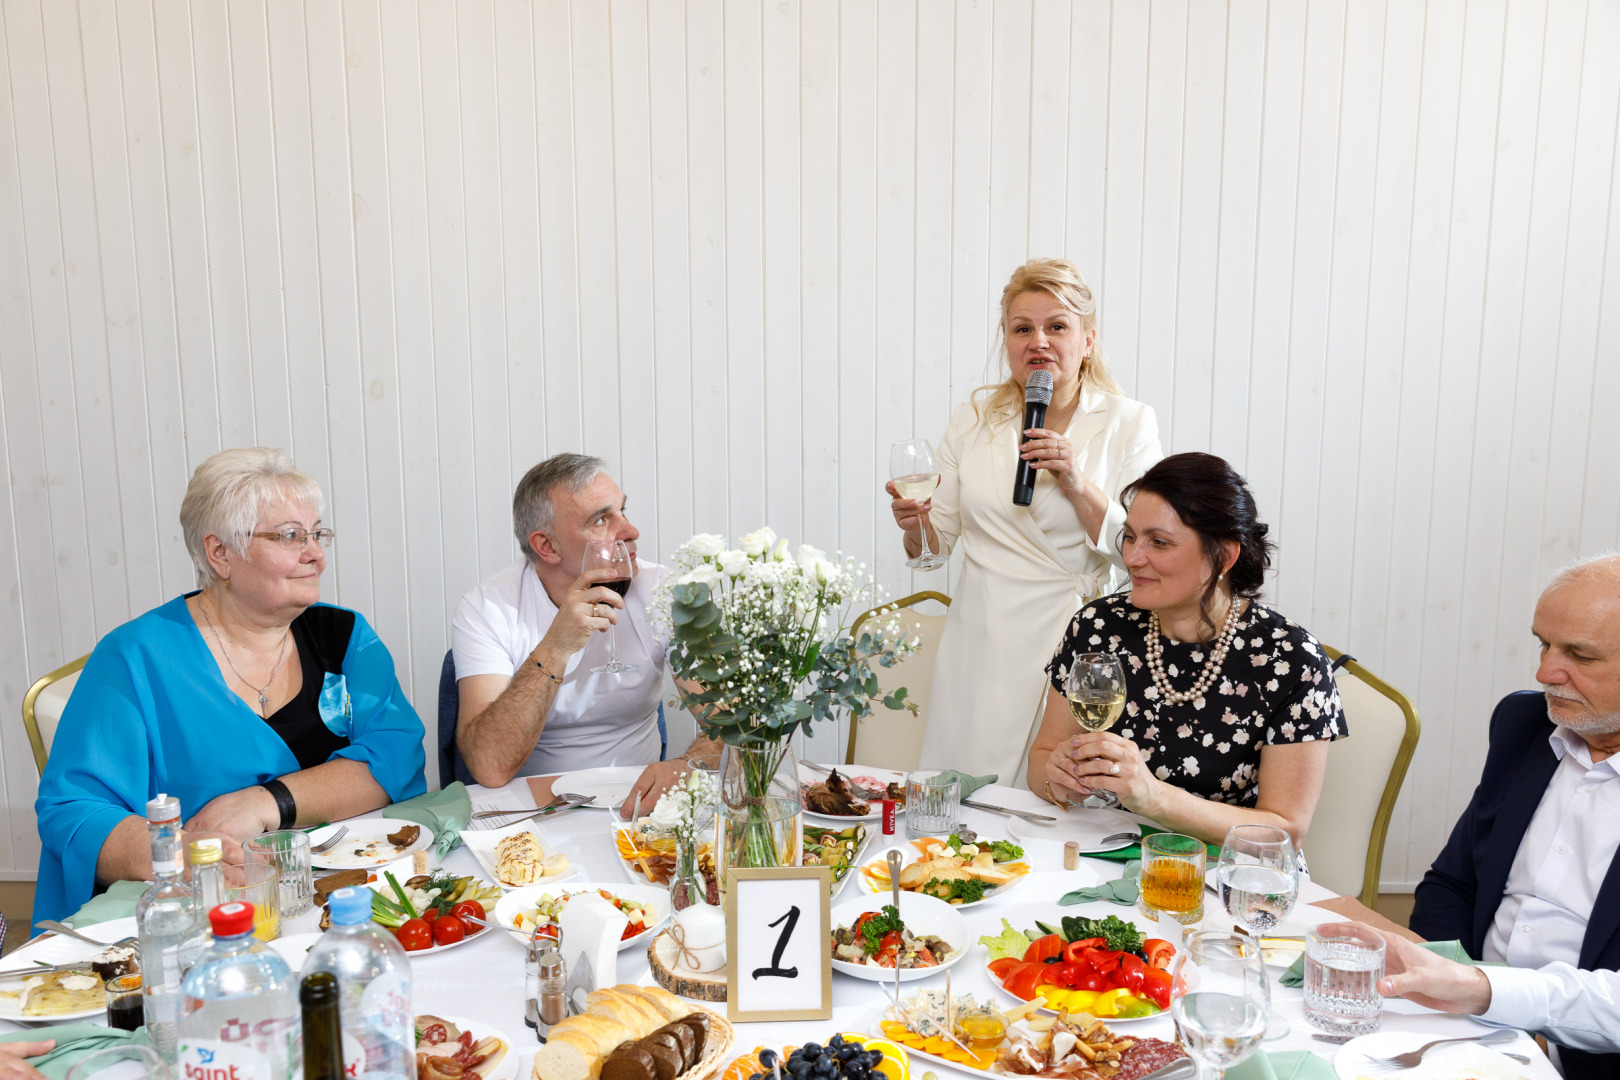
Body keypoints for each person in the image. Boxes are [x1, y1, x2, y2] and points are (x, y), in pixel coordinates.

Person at [33, 448, 426, 926]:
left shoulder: (344, 637)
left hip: (337, 897)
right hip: (203, 912)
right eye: (290, 536)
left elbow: (396, 753)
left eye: (317, 533)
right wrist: (182, 854)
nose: (316, 554)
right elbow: (73, 812)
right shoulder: (136, 657)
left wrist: (266, 802)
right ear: (221, 554)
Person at [884, 258, 1162, 784]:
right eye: (1022, 328)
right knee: (967, 812)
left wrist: (1075, 481)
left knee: (1057, 799)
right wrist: (913, 523)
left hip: (1072, 642)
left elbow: (1140, 548)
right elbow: (933, 550)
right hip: (981, 644)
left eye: (1057, 326)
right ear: (1007, 341)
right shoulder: (973, 419)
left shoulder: (1129, 422)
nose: (1039, 341)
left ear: (1087, 340)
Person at [1030, 452, 1344, 845]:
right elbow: (1041, 759)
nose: (1131, 557)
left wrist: (1152, 797)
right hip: (1106, 850)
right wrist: (1058, 780)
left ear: (1224, 557)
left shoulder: (1292, 659)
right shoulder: (1098, 627)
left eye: (1159, 543)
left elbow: (1285, 830)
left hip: (1228, 876)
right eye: (1129, 536)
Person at [1409, 552, 1620, 1080]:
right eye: (1543, 643)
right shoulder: (1524, 722)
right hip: (1470, 1027)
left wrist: (1495, 998)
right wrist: (1457, 989)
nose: (1545, 671)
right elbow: (1451, 884)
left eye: (1580, 655)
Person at [452, 454, 718, 813]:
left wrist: (689, 767)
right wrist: (556, 647)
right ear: (547, 546)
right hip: (532, 811)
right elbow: (490, 766)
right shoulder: (488, 608)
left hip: (638, 806)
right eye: (601, 520)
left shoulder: (666, 592)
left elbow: (731, 723)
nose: (630, 531)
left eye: (623, 510)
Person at [1320, 920, 1620, 1058]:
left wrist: (1476, 985)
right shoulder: (1514, 789)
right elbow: (1450, 882)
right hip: (1460, 1002)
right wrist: (1446, 961)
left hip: (1578, 1050)